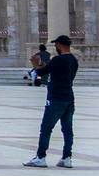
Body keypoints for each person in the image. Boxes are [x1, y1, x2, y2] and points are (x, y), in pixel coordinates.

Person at [26, 35, 78, 168]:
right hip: (69, 98)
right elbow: (56, 71)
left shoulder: (57, 60)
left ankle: (41, 157)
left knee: (46, 128)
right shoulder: (73, 60)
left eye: (56, 45)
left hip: (55, 98)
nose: (55, 47)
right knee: (67, 130)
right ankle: (67, 157)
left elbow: (39, 74)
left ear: (60, 45)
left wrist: (35, 65)